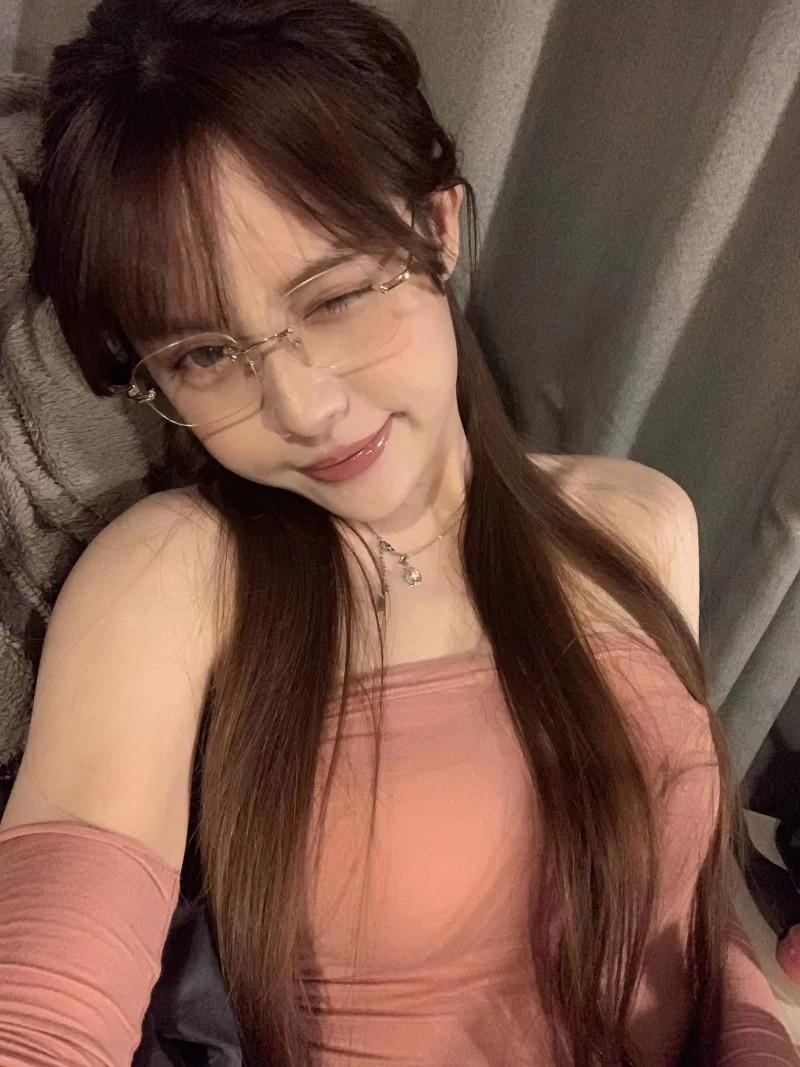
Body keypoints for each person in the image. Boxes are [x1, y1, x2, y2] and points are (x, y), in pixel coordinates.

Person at [0, 2, 796, 1065]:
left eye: (333, 297)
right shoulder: (173, 575)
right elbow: (44, 1016)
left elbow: (687, 901)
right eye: (203, 355)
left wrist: (761, 1030)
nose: (301, 407)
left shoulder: (637, 519)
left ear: (436, 228)